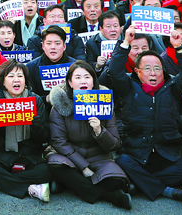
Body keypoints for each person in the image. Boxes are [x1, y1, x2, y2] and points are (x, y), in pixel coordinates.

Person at [111, 26, 182, 204]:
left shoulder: (173, 87)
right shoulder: (128, 86)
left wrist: (179, 47)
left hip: (166, 156)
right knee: (121, 161)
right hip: (136, 154)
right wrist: (125, 43)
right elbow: (115, 71)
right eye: (148, 68)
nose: (153, 73)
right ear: (137, 71)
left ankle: (139, 183)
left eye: (157, 68)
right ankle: (169, 191)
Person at [47, 61, 132, 208]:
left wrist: (100, 131)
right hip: (68, 156)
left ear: (93, 81)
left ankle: (72, 185)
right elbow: (58, 141)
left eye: (87, 77)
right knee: (58, 167)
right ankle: (110, 196)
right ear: (70, 82)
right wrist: (84, 168)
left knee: (117, 181)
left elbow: (115, 144)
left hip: (98, 155)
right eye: (78, 77)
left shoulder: (104, 103)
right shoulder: (60, 104)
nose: (83, 81)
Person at [0, 60, 53, 201]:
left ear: (25, 80)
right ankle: (31, 189)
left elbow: (45, 137)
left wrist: (37, 127)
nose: (16, 80)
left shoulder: (35, 100)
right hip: (2, 154)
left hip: (29, 155)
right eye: (11, 76)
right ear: (3, 81)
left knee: (47, 172)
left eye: (20, 76)